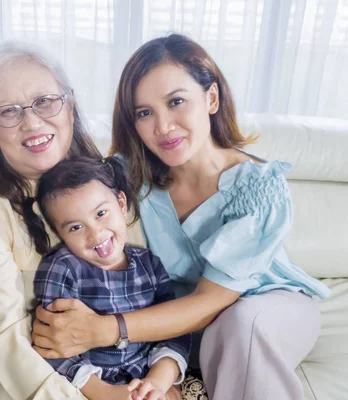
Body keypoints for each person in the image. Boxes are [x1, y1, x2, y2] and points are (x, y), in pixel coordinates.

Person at [31, 34, 331, 400]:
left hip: (271, 310)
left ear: (211, 98)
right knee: (226, 331)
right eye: (144, 113)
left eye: (176, 102)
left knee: (242, 324)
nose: (163, 127)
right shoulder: (129, 178)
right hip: (188, 328)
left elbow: (210, 302)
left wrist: (106, 330)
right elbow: (66, 181)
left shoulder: (259, 189)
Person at [0, 42, 147, 399]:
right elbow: (4, 339)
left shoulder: (108, 176)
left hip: (135, 367)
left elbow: (144, 290)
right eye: (7, 111)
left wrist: (160, 378)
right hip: (48, 379)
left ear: (70, 103)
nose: (32, 123)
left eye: (45, 101)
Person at [23, 156, 190, 400]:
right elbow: (53, 343)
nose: (95, 233)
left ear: (121, 203)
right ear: (59, 233)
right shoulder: (63, 268)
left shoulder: (149, 264)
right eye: (75, 228)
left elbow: (173, 328)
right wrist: (105, 393)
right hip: (91, 384)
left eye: (101, 213)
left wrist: (157, 381)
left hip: (148, 374)